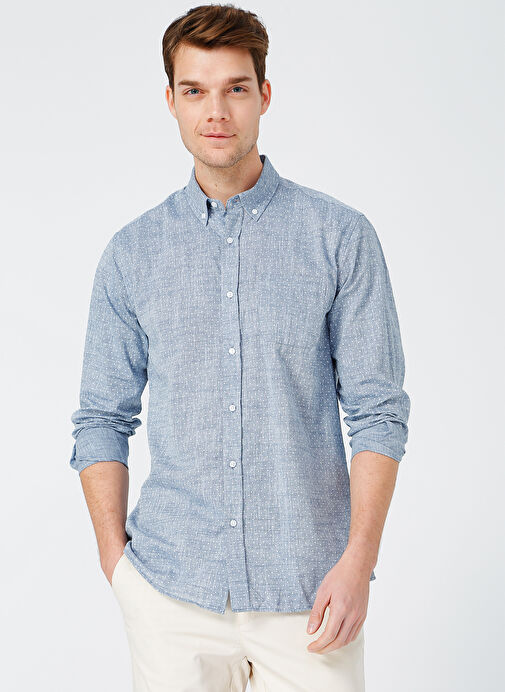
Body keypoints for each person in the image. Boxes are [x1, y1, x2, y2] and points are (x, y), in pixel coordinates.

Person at [69, 4, 410, 690]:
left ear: (265, 95)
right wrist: (117, 566)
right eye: (195, 90)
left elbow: (377, 412)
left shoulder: (339, 238)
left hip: (313, 595)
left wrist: (357, 562)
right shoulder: (132, 254)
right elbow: (102, 418)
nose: (216, 111)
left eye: (235, 88)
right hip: (171, 593)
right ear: (171, 100)